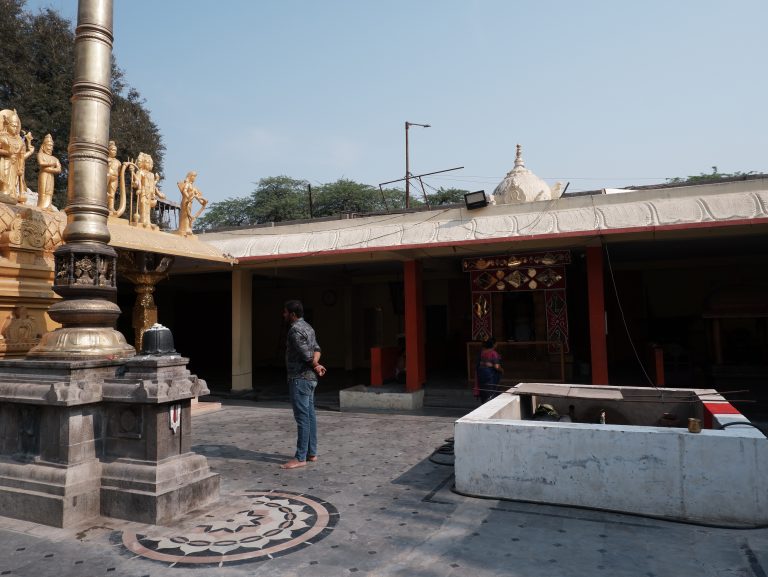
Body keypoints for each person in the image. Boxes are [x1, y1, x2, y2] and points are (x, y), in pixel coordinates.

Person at [281, 299, 326, 469]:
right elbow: (317, 349)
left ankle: (300, 457)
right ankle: (311, 453)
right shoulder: (308, 327)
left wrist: (315, 364)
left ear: (292, 314)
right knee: (310, 416)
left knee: (302, 419)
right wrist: (317, 364)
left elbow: (305, 355)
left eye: (285, 312)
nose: (283, 315)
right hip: (310, 380)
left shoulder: (294, 330)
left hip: (300, 379)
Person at [0, 109, 34, 203]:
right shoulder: (2, 137)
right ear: (7, 125)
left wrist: (20, 168)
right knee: (4, 181)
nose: (15, 128)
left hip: (15, 165)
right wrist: (7, 153)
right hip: (5, 162)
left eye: (16, 126)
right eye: (13, 126)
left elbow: (21, 157)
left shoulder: (20, 141)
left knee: (12, 185)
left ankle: (10, 196)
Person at [176, 170, 208, 236]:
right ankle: (184, 229)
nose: (194, 178)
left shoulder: (194, 187)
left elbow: (197, 197)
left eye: (195, 176)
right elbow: (184, 191)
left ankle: (188, 228)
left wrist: (202, 202)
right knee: (185, 215)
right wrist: (188, 197)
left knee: (189, 216)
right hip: (185, 201)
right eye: (193, 176)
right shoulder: (187, 184)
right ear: (190, 176)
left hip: (190, 203)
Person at [36, 134, 61, 210]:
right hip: (43, 175)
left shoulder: (55, 158)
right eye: (49, 146)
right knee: (42, 190)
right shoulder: (40, 154)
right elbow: (41, 163)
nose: (51, 148)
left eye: (52, 146)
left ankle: (48, 205)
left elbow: (59, 169)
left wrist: (47, 169)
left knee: (49, 191)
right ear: (44, 146)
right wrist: (51, 165)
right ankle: (42, 205)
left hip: (50, 176)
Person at [474, 338, 503, 403]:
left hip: (481, 374)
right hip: (490, 375)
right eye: (496, 343)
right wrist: (502, 370)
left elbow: (480, 363)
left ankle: (484, 404)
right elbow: (496, 366)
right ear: (494, 345)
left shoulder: (482, 353)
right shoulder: (494, 353)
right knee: (491, 392)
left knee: (484, 391)